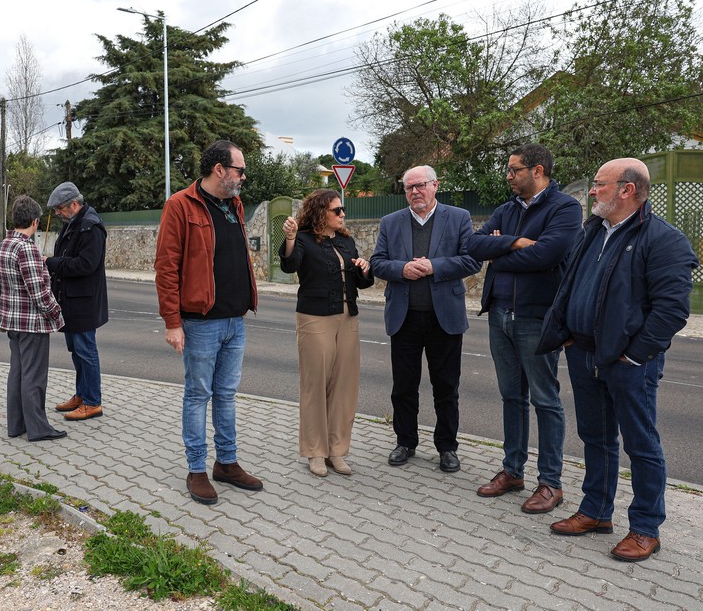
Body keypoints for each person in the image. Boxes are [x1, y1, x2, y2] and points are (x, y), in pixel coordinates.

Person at [537, 158, 697, 562]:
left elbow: (671, 311)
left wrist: (633, 354)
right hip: (584, 352)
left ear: (627, 189)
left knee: (641, 446)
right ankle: (595, 512)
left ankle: (645, 528)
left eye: (599, 184)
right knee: (596, 437)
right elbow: (570, 285)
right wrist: (570, 337)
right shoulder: (591, 232)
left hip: (628, 363)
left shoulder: (664, 240)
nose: (592, 191)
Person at [465, 144, 582, 514]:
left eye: (514, 170)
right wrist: (513, 242)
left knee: (545, 400)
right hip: (499, 314)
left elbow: (547, 254)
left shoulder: (565, 207)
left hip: (536, 318)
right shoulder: (506, 208)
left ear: (538, 170)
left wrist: (498, 252)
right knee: (511, 397)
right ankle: (512, 471)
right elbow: (472, 244)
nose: (509, 176)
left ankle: (550, 483)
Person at [154, 139, 262, 505]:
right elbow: (166, 266)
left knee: (227, 395)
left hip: (235, 320)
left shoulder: (234, 204)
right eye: (240, 170)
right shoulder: (180, 206)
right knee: (198, 395)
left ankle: (226, 463)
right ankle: (197, 468)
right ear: (220, 170)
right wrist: (172, 321)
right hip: (200, 323)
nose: (243, 177)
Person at [369, 165, 481, 473]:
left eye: (421, 185)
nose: (415, 191)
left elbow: (471, 260)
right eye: (409, 187)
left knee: (446, 386)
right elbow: (377, 263)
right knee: (403, 386)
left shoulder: (458, 217)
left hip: (443, 318)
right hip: (404, 318)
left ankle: (447, 447)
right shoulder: (391, 222)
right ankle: (405, 441)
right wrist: (402, 269)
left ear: (435, 185)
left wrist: (434, 266)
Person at [279, 189, 374, 477]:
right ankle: (315, 452)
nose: (343, 214)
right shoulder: (305, 239)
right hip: (314, 318)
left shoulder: (347, 241)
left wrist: (364, 268)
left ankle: (337, 451)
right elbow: (289, 265)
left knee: (344, 387)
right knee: (315, 386)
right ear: (321, 213)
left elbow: (363, 284)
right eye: (337, 210)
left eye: (342, 210)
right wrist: (291, 238)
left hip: (347, 317)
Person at [0, 195, 67, 442]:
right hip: (32, 323)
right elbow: (39, 292)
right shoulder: (27, 248)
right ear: (35, 222)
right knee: (34, 376)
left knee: (18, 372)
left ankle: (16, 425)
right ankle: (38, 428)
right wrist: (56, 312)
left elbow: (1, 283)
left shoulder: (4, 245)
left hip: (11, 320)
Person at [45, 182, 109, 421]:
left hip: (84, 301)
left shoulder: (90, 227)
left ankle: (93, 402)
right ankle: (82, 395)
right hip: (71, 300)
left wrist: (51, 263)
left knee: (86, 351)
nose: (57, 213)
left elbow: (85, 265)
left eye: (59, 208)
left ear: (74, 204)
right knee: (77, 351)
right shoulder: (74, 223)